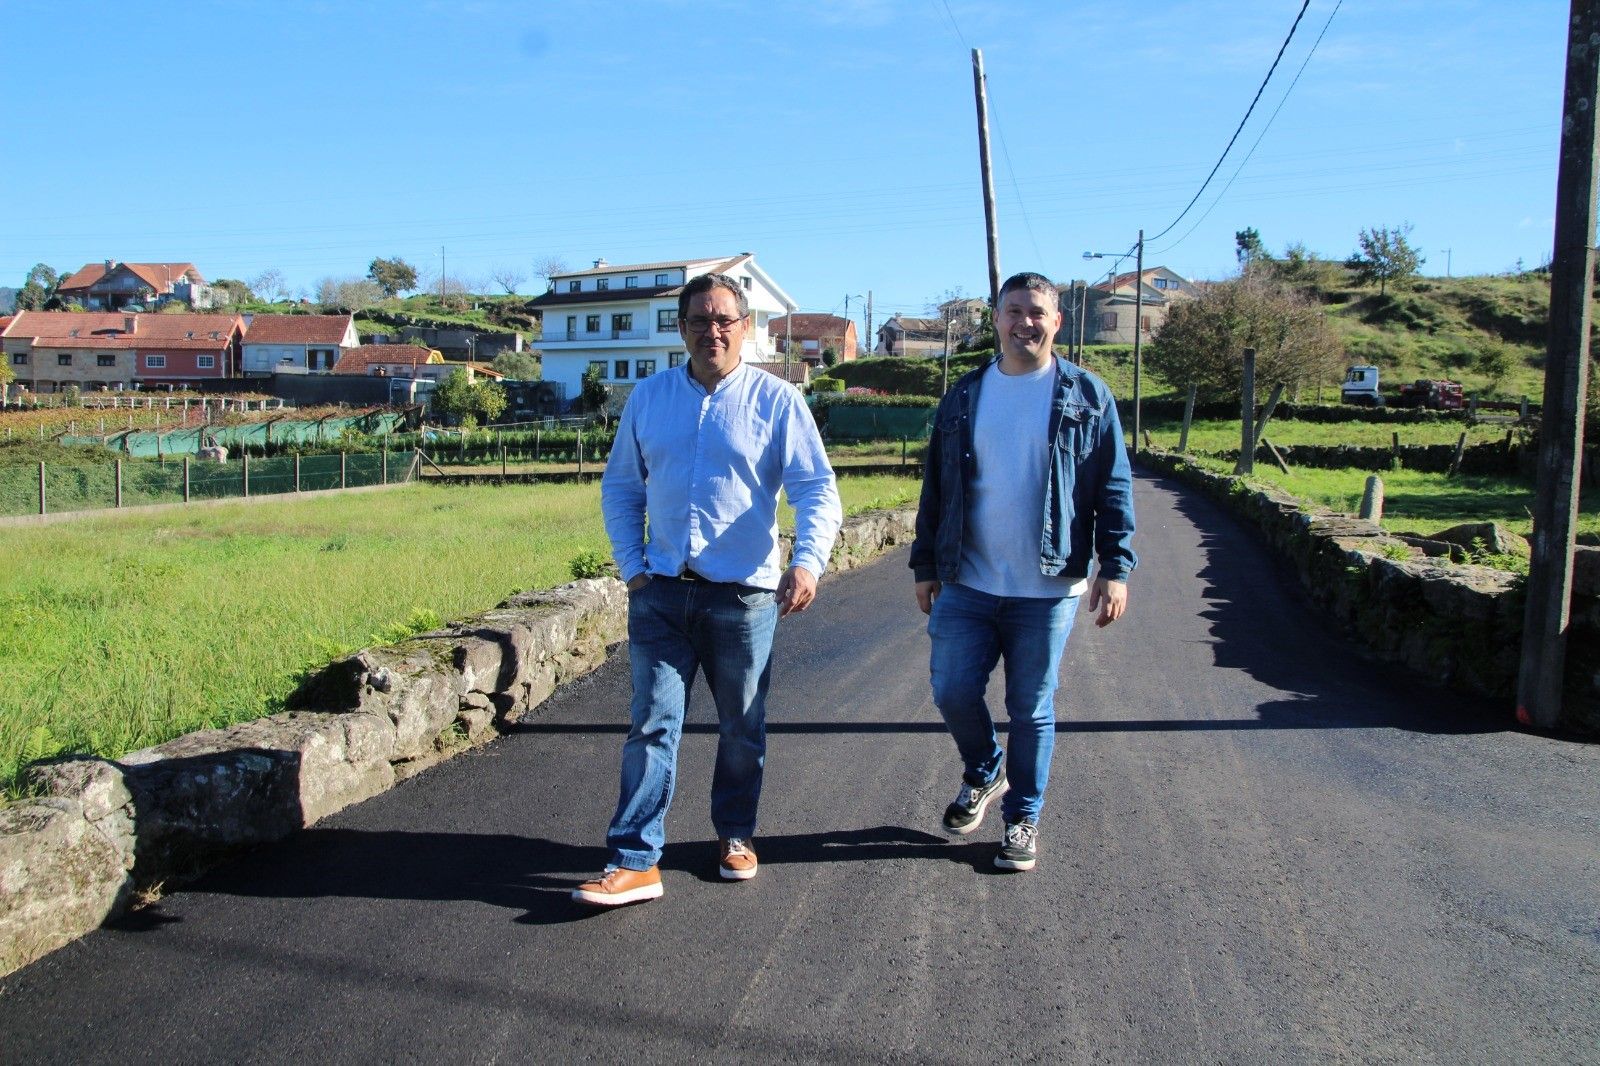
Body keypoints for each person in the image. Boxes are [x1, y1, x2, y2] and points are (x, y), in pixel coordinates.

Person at [573, 272, 842, 907]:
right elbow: (622, 487)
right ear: (682, 328)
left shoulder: (777, 401)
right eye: (699, 320)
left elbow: (815, 487)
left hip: (743, 597)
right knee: (650, 725)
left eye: (724, 319)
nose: (712, 330)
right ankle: (636, 859)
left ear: (746, 328)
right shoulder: (650, 398)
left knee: (741, 727)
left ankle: (735, 834)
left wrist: (807, 562)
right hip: (662, 592)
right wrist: (633, 569)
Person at [909, 270, 1136, 872]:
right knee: (951, 690)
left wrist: (1116, 567)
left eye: (1037, 312)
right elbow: (938, 485)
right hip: (968, 579)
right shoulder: (964, 395)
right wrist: (925, 563)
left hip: (1048, 584)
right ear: (997, 318)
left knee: (1031, 706)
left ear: (1056, 321)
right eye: (1014, 311)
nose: (1024, 322)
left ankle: (1023, 818)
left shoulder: (1087, 395)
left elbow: (1113, 486)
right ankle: (985, 770)